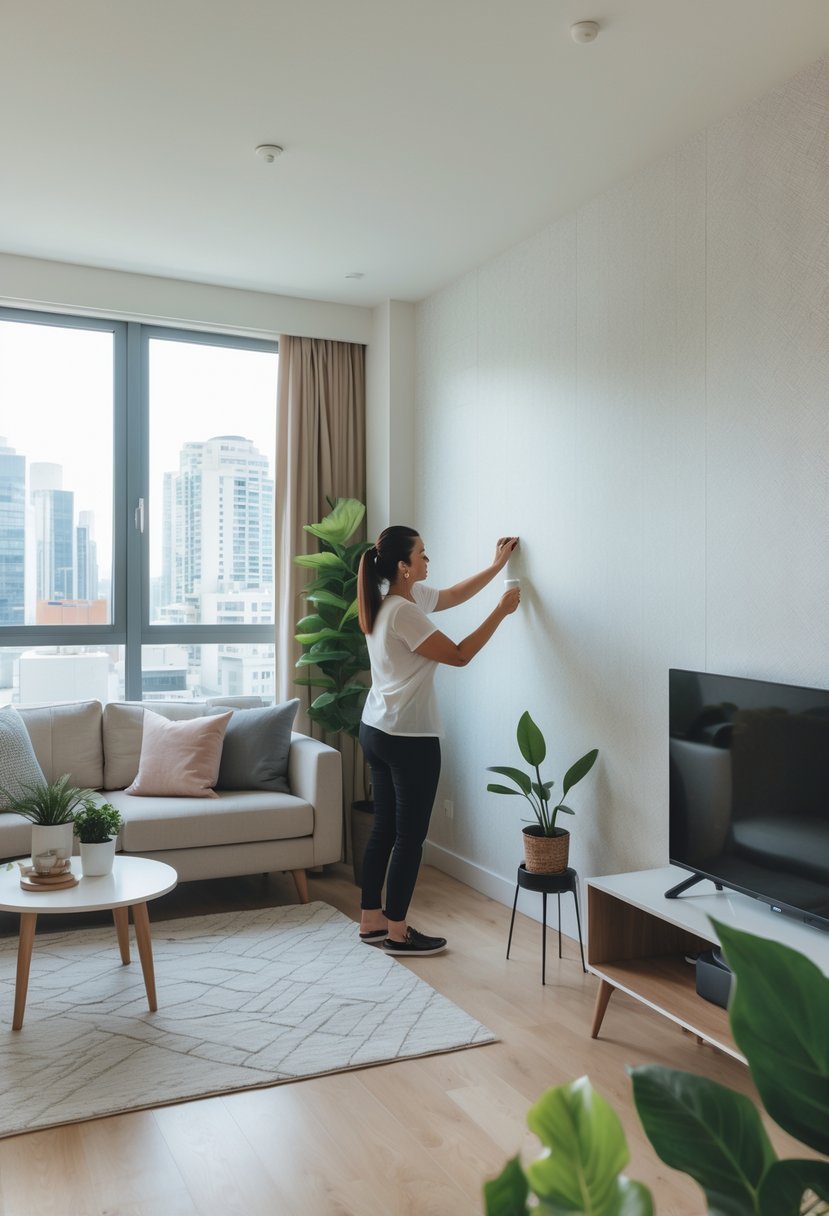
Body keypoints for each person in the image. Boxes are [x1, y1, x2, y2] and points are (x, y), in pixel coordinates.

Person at [356, 529, 520, 955]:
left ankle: (371, 922)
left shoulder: (395, 601)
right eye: (422, 555)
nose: (429, 560)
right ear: (404, 567)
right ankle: (397, 932)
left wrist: (497, 566)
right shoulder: (403, 614)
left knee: (385, 830)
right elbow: (461, 654)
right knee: (410, 838)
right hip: (408, 736)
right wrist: (501, 611)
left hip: (376, 728)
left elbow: (450, 596)